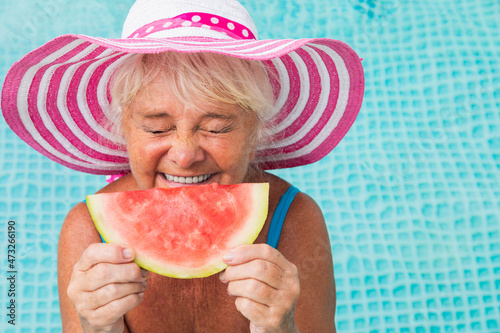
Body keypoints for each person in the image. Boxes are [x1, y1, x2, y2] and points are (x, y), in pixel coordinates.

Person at [1, 0, 364, 331]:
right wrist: (98, 328)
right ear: (123, 128)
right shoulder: (88, 230)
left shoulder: (295, 219)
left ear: (255, 131)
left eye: (216, 127)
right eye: (157, 127)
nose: (185, 154)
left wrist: (281, 328)